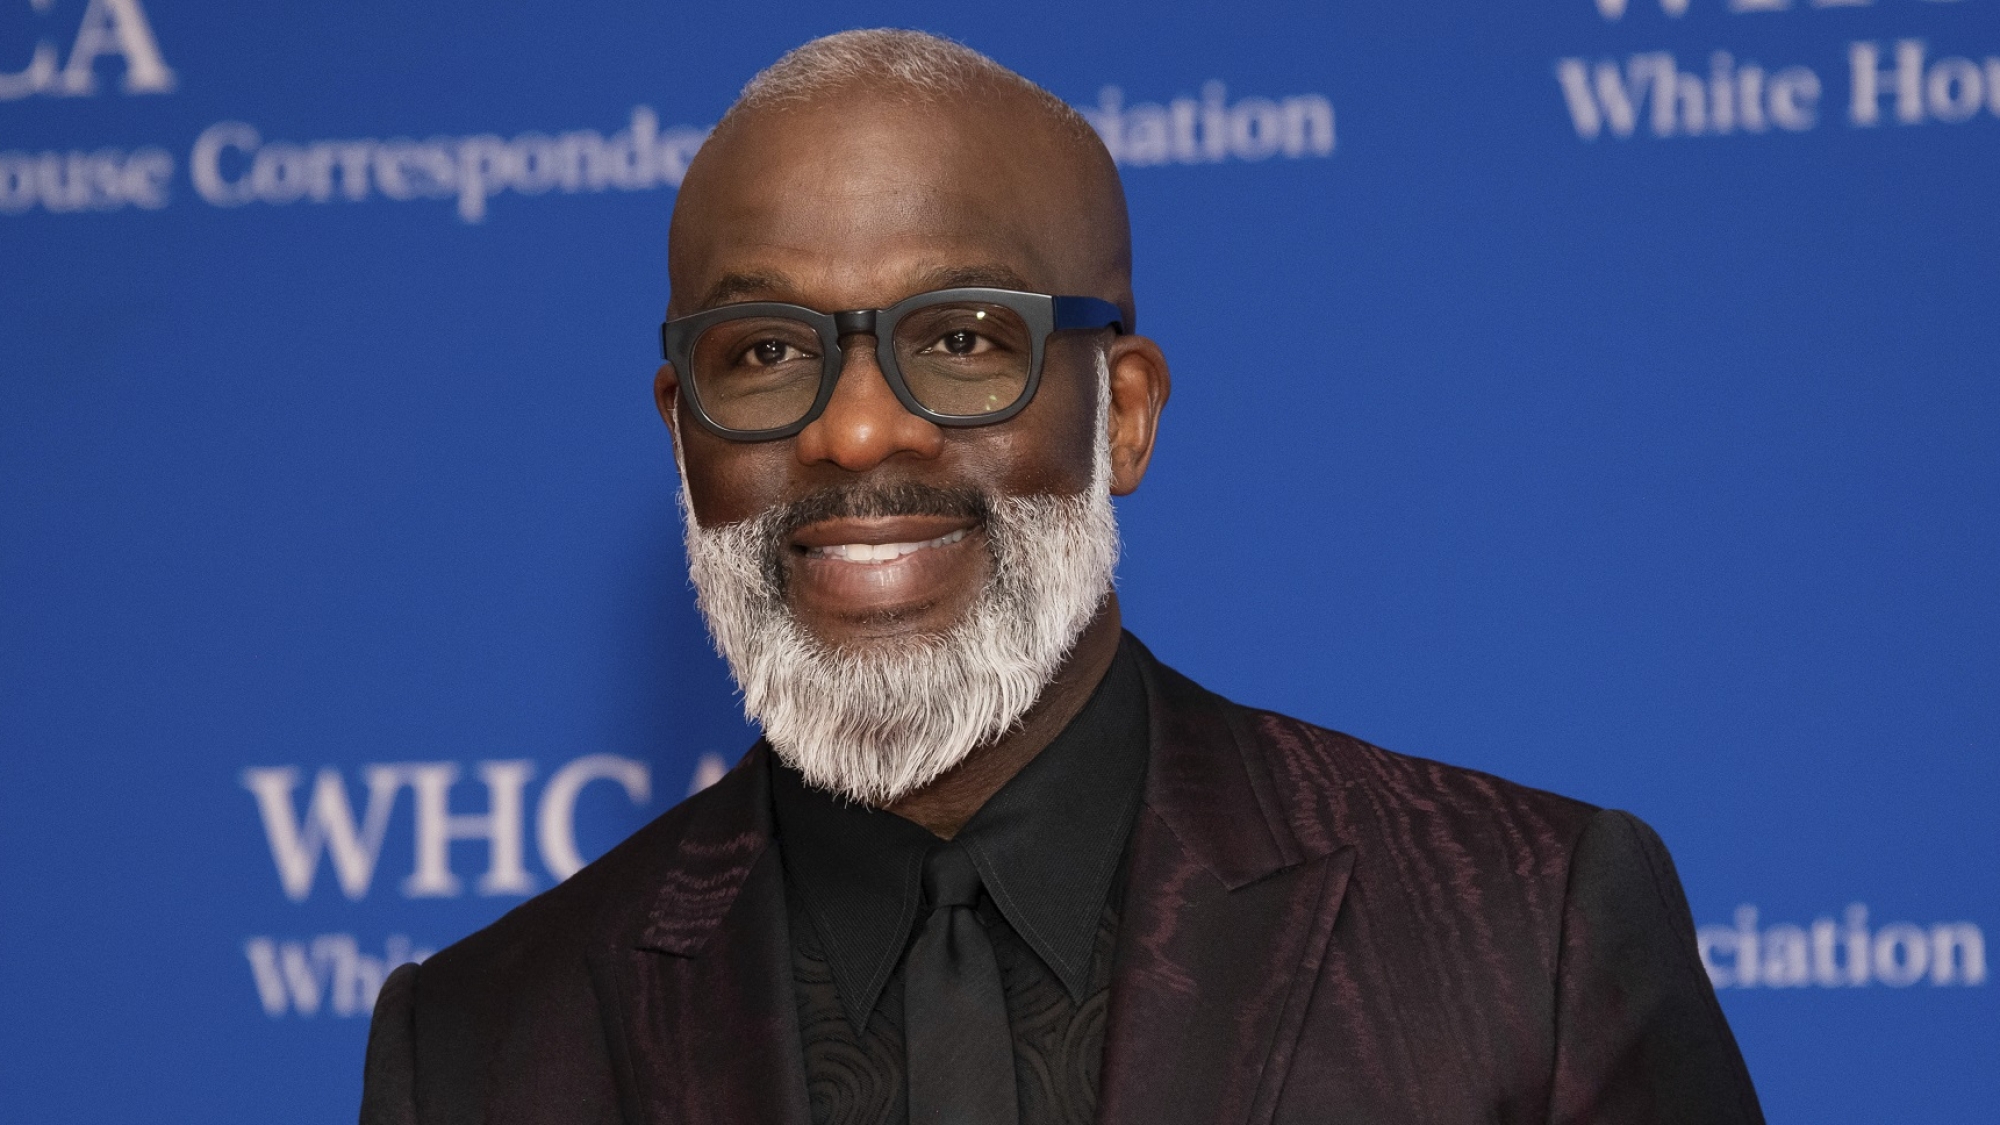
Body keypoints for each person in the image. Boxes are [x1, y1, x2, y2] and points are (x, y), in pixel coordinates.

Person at [359, 29, 1764, 1125]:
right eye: (766, 352)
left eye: (965, 337)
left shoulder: (1524, 934)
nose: (854, 431)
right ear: (684, 434)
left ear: (1126, 413)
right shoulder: (484, 1045)